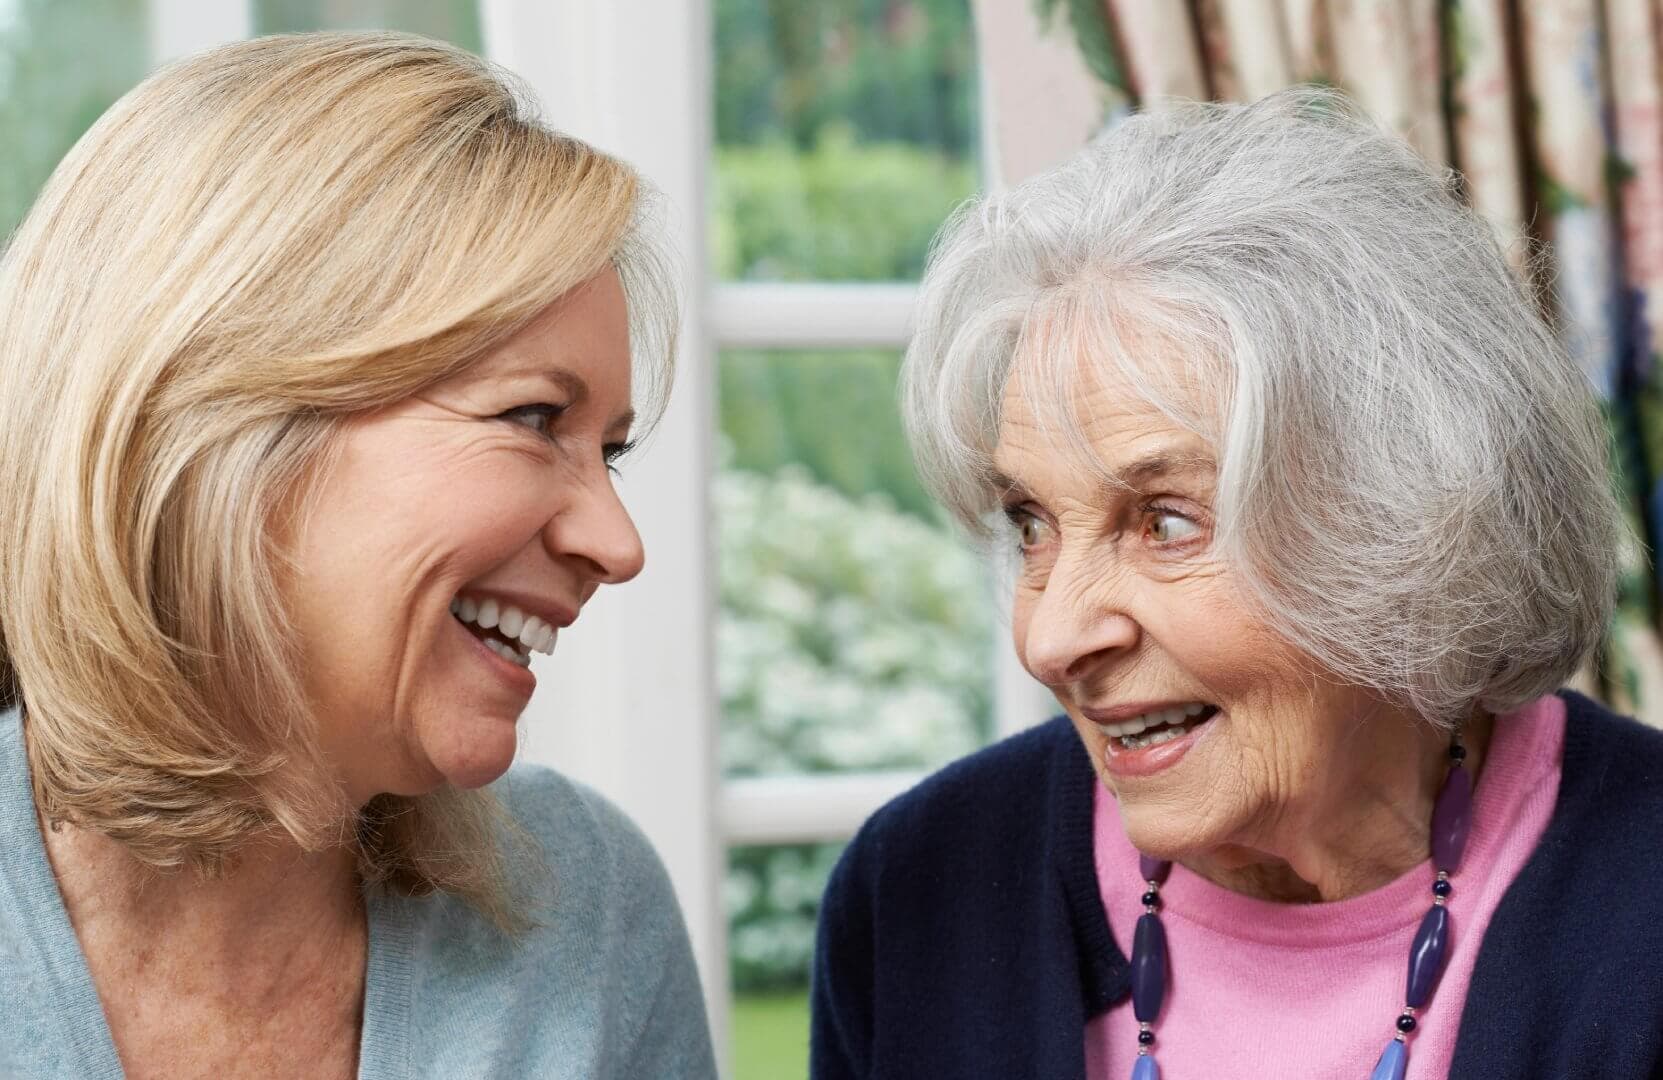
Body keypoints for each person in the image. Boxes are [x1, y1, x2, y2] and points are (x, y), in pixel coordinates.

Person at [811, 88, 1663, 1079]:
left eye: (1164, 522)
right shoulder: (920, 890)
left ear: (1410, 527)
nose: (1052, 639)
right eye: (1031, 525)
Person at [0, 32, 715, 1079]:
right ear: (221, 431)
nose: (618, 545)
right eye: (531, 418)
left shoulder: (587, 907)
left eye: (607, 452)